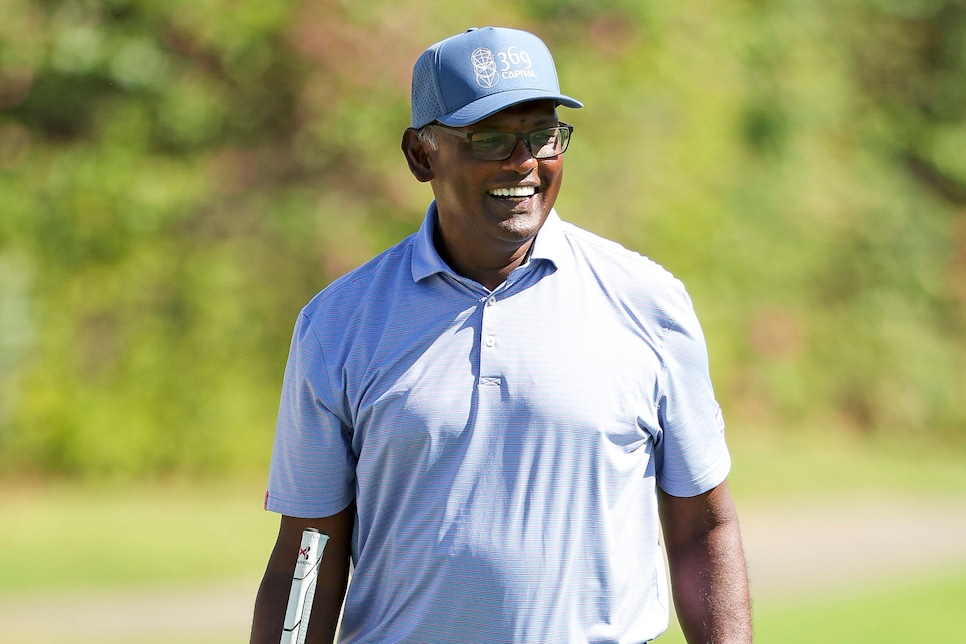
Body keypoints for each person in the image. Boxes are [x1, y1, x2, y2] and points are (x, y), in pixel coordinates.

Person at [251, 26, 752, 644]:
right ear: (420, 155)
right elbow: (308, 554)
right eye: (488, 138)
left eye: (543, 135)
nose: (523, 162)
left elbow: (702, 528)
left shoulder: (648, 303)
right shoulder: (339, 324)